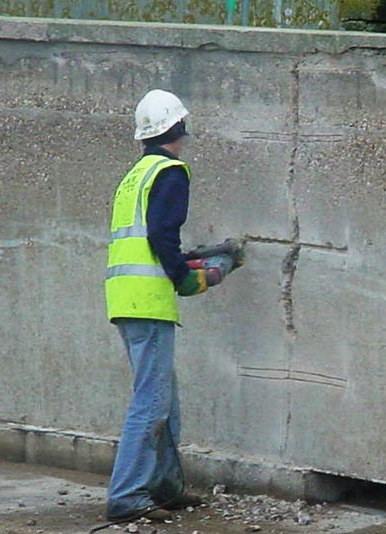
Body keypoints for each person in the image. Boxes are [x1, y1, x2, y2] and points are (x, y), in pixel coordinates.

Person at [103, 89, 235, 523]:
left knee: (166, 400)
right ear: (179, 128)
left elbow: (149, 238)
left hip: (126, 298)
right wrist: (188, 276)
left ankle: (164, 487)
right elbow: (162, 235)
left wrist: (188, 261)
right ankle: (126, 497)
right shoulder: (171, 172)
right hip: (148, 301)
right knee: (151, 402)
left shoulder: (135, 175)